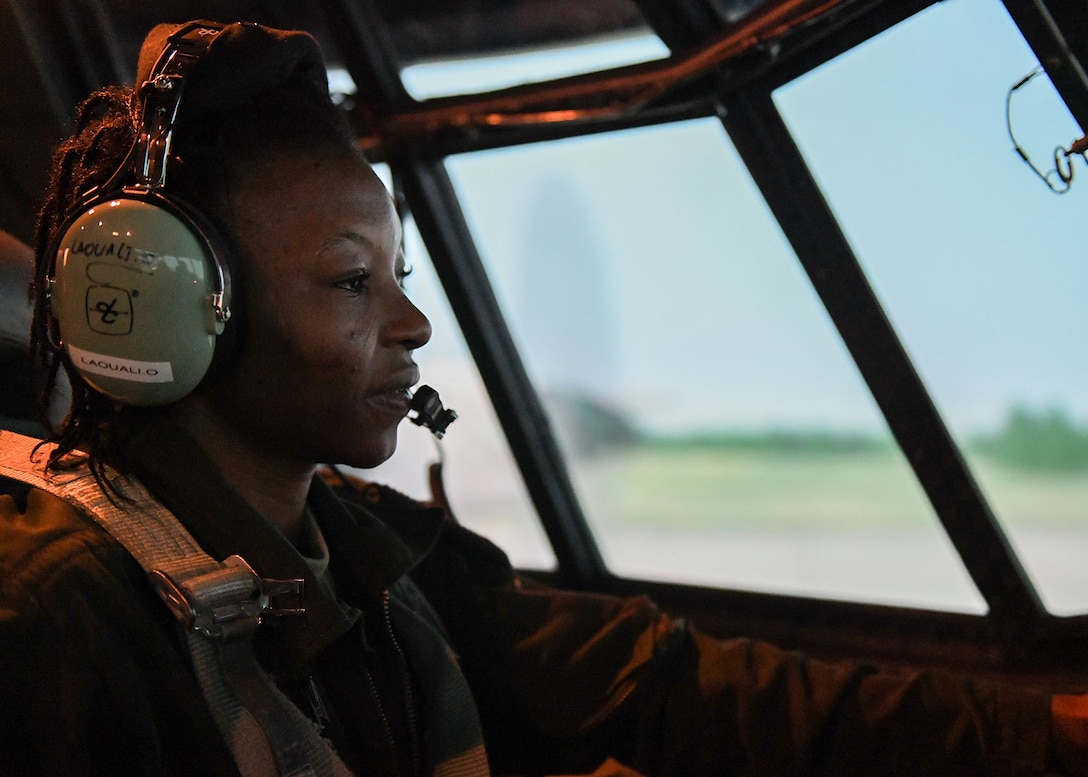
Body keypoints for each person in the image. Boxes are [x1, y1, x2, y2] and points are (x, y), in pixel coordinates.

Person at [0, 18, 1086, 777]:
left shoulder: (381, 568)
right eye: (348, 281)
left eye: (400, 277)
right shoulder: (53, 625)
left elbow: (664, 685)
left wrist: (1044, 736)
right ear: (162, 312)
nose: (414, 324)